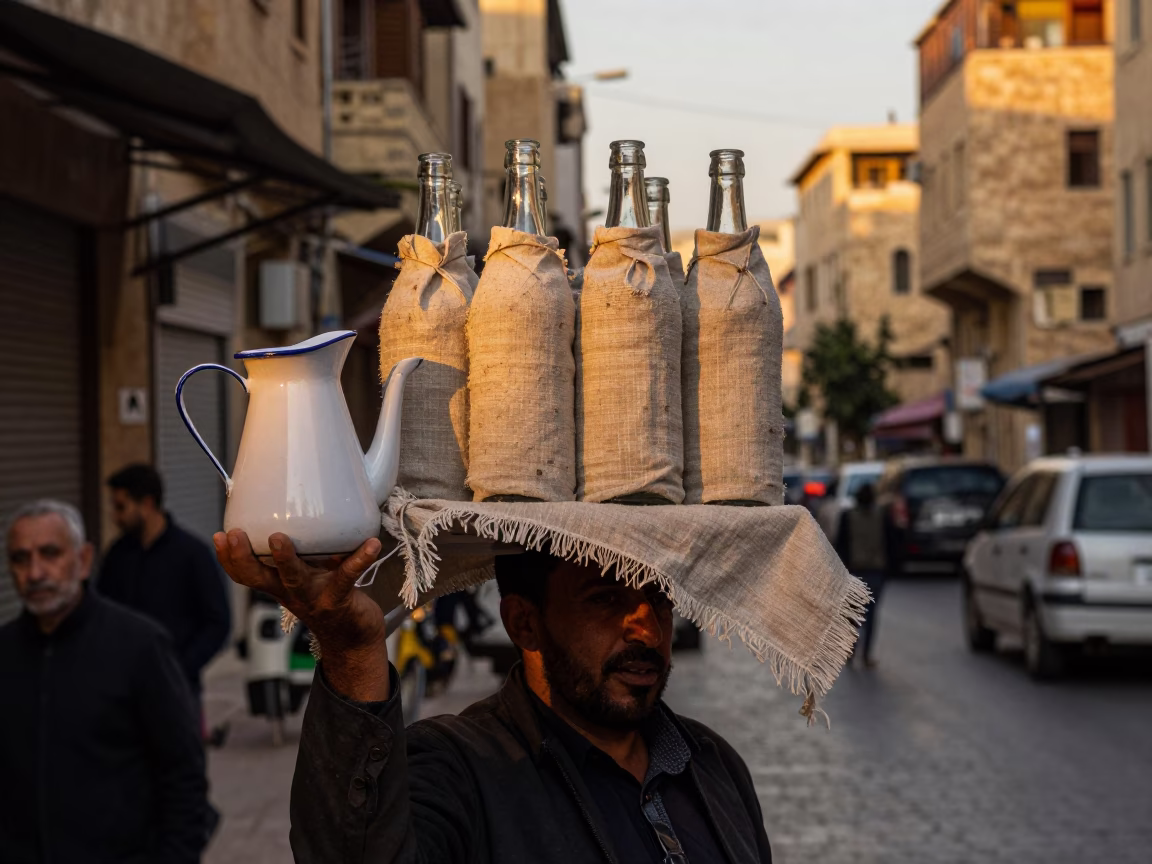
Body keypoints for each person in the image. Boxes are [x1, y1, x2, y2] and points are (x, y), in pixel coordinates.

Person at [215, 529, 774, 863]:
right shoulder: (457, 768)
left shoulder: (712, 764)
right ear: (523, 625)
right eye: (606, 600)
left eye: (659, 601)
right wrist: (352, 652)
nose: (647, 631)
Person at [0, 500, 211, 863]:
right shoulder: (4, 653)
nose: (34, 573)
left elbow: (184, 774)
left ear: (83, 560)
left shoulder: (139, 646)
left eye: (50, 553)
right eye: (21, 559)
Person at [99, 464, 231, 714]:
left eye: (121, 507)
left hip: (177, 693)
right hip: (123, 691)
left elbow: (218, 622)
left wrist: (179, 668)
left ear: (147, 504)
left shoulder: (192, 554)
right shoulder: (117, 555)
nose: (114, 516)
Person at [835, 482, 887, 667]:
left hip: (855, 571)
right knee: (871, 615)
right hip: (876, 571)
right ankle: (866, 655)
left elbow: (839, 545)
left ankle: (851, 650)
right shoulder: (881, 516)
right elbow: (890, 542)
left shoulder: (848, 516)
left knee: (854, 612)